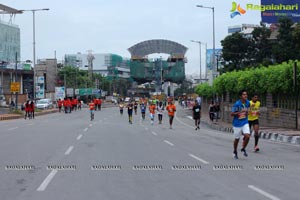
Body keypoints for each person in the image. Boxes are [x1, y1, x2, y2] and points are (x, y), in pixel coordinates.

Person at [231, 90, 250, 159]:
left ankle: (243, 148)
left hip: (245, 122)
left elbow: (248, 110)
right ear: (240, 96)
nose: (245, 96)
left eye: (246, 94)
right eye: (244, 94)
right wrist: (239, 112)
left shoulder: (248, 102)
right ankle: (235, 151)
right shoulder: (237, 104)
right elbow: (232, 114)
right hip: (237, 124)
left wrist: (247, 112)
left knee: (247, 136)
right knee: (237, 139)